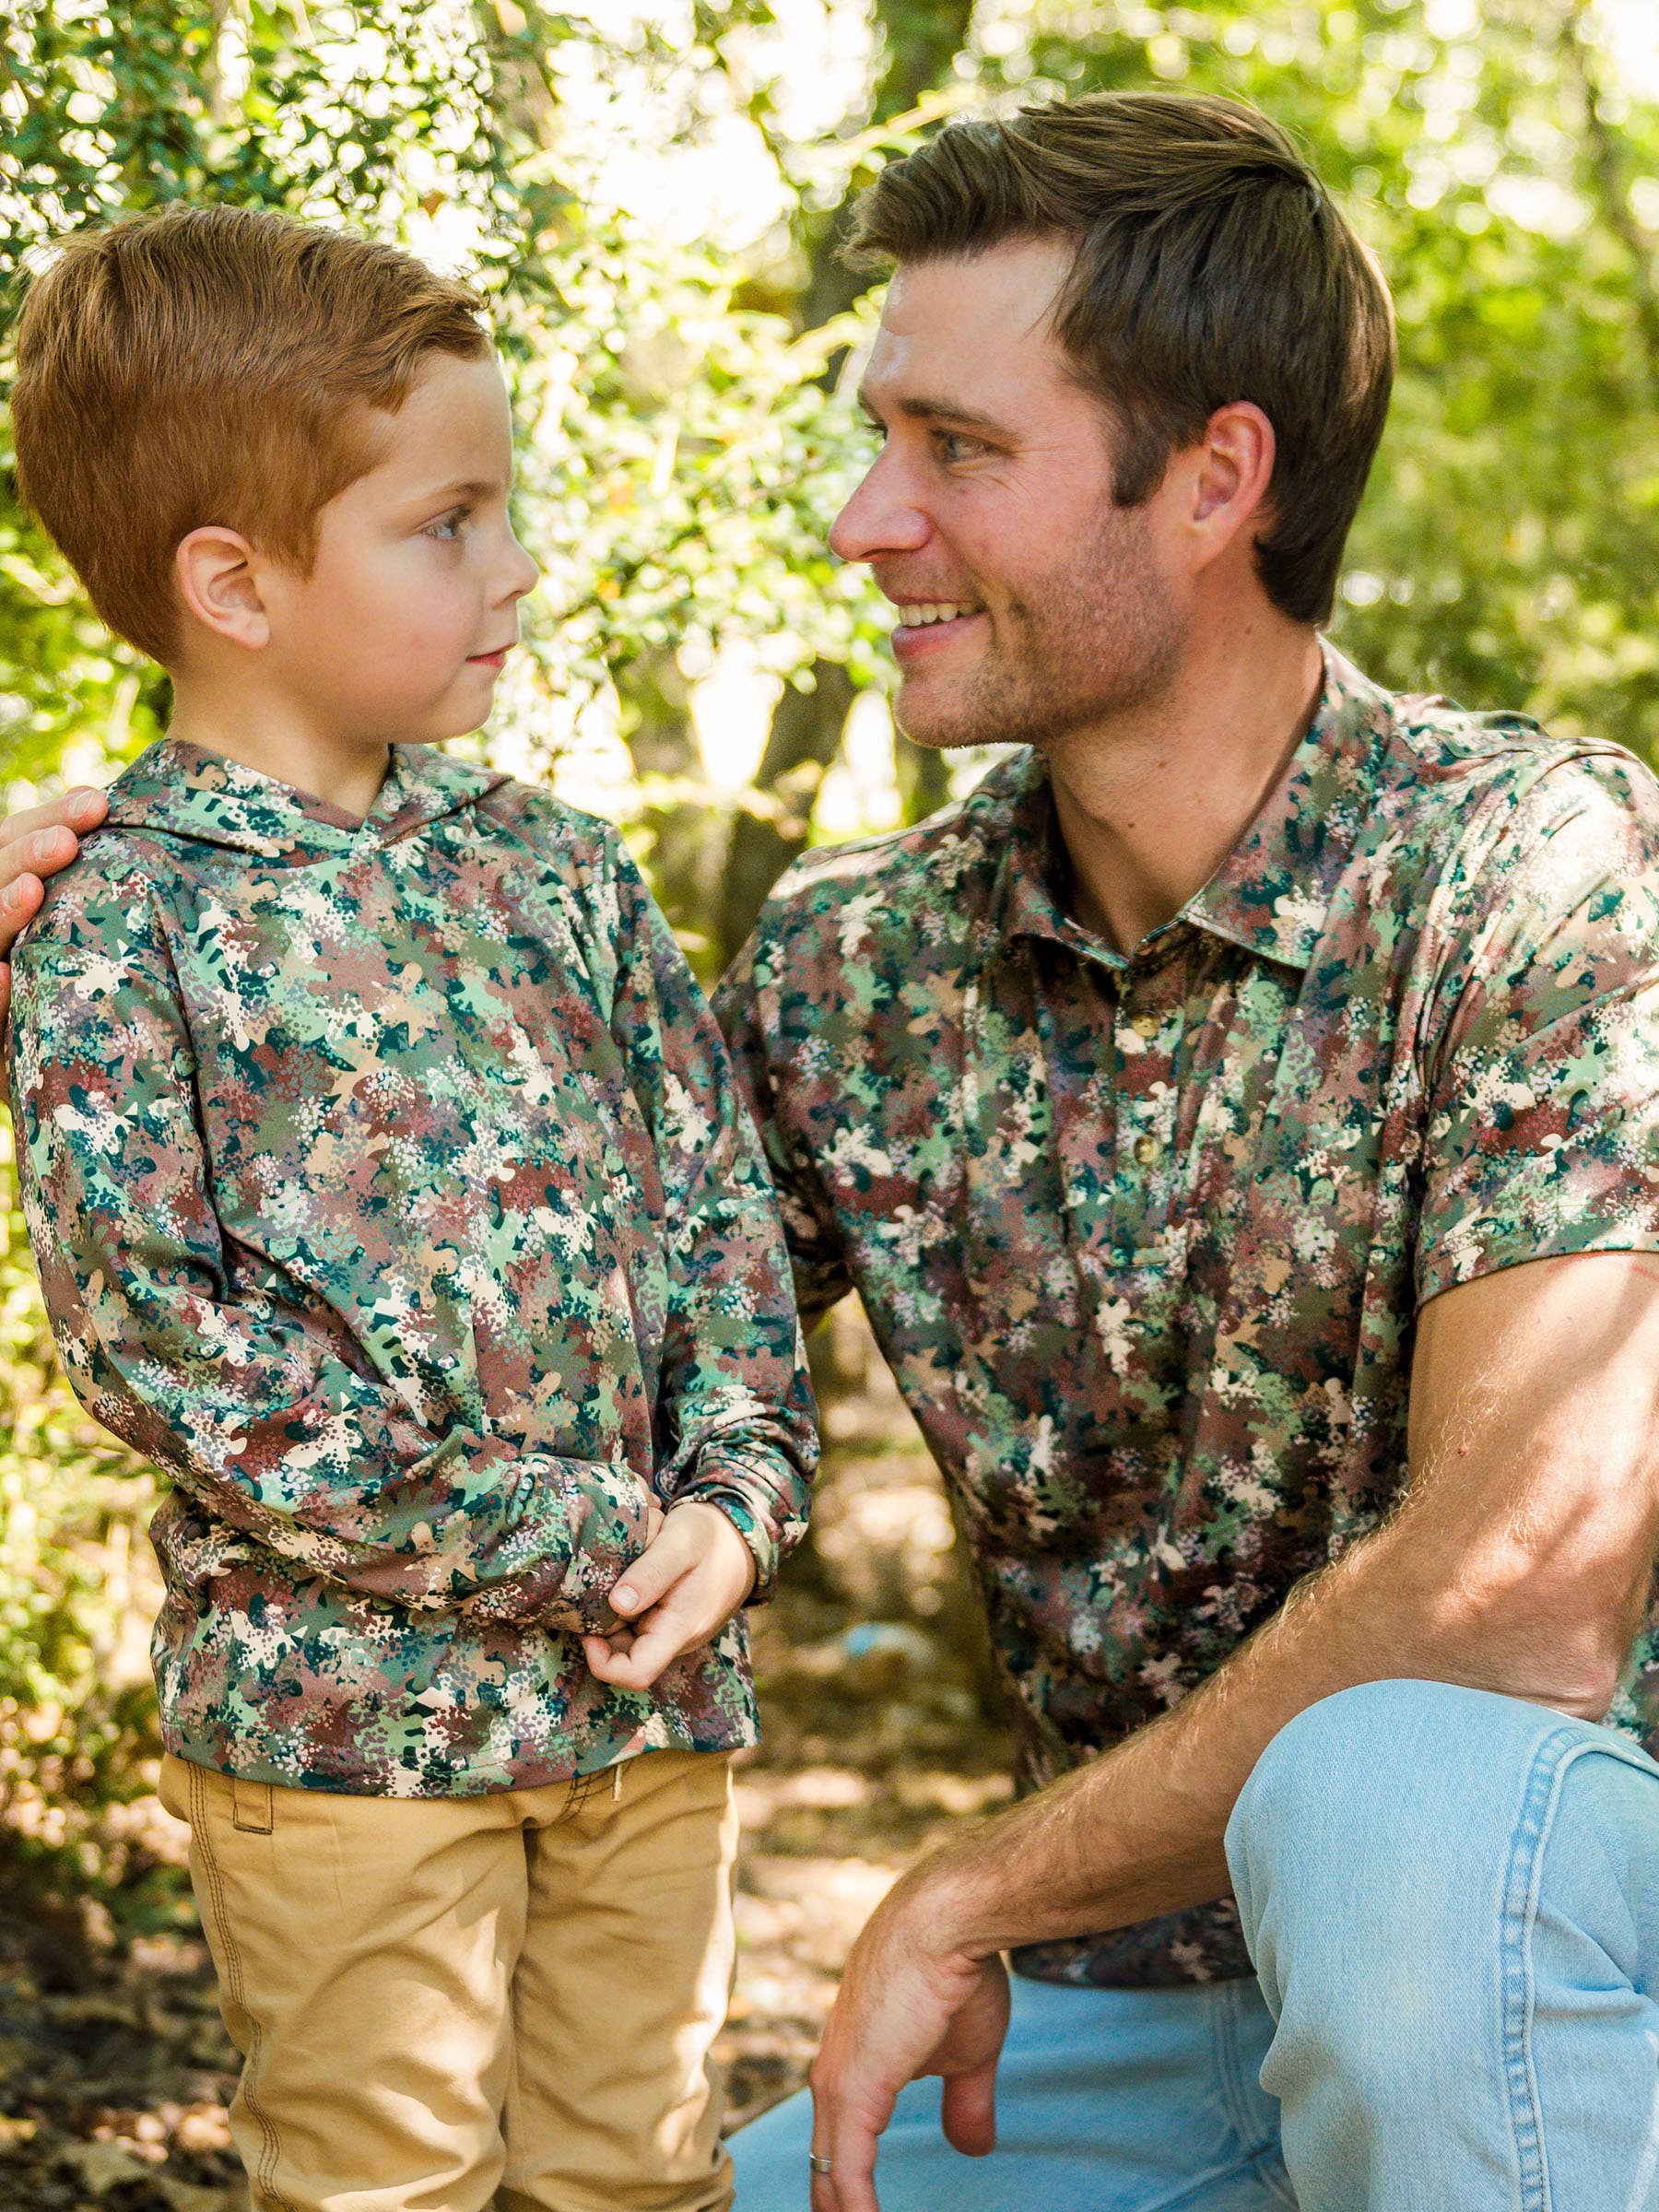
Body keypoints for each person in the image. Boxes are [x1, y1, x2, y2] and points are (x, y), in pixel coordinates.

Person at [9, 90, 1659, 2212]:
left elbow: (1519, 1605)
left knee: (1393, 1804)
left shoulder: (1533, 872)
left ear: (1215, 480)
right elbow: (542, 1277)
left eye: (957, 448)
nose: (866, 519)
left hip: (1550, 1972)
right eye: (881, 436)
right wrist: (105, 963)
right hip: (1113, 2032)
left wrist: (973, 1888)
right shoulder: (854, 966)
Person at [0, 203, 816, 2212]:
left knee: (640, 2177)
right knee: (386, 2184)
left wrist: (733, 1499)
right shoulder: (118, 921)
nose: (514, 564)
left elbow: (718, 1214)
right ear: (233, 583)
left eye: (501, 508)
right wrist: (565, 1538)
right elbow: (160, 1345)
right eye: (446, 522)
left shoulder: (562, 872)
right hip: (345, 1739)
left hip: (645, 1712)